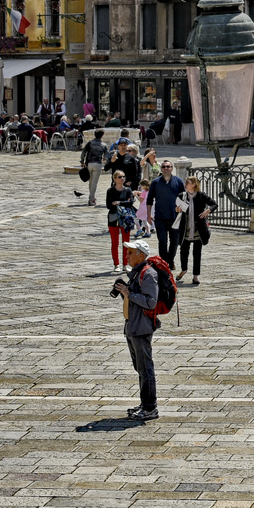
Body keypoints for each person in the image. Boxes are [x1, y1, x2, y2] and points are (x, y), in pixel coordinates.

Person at [114, 239, 163, 421]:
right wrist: (124, 293)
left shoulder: (148, 274)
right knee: (140, 368)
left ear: (141, 256)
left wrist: (129, 294)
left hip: (141, 327)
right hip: (133, 325)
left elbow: (151, 301)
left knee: (146, 368)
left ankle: (150, 407)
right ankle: (145, 404)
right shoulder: (136, 273)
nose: (127, 256)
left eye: (130, 253)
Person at [175, 175, 212, 285]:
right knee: (183, 251)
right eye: (185, 182)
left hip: (198, 229)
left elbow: (214, 204)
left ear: (194, 184)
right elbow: (177, 208)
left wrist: (207, 211)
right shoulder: (182, 195)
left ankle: (195, 276)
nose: (186, 185)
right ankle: (183, 269)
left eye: (188, 183)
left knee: (197, 253)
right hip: (185, 228)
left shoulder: (201, 195)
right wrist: (177, 209)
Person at [148, 159, 185, 265]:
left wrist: (181, 208)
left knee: (174, 241)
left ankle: (170, 260)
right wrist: (148, 214)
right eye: (164, 167)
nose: (166, 169)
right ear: (161, 169)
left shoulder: (178, 181)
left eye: (168, 167)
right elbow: (149, 199)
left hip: (175, 216)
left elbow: (184, 198)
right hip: (160, 217)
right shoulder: (156, 182)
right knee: (162, 241)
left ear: (172, 168)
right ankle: (164, 263)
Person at [105, 169, 136, 269]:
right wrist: (123, 202)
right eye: (120, 177)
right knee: (115, 242)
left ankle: (126, 264)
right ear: (115, 179)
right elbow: (109, 205)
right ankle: (116, 264)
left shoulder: (127, 190)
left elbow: (130, 203)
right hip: (113, 217)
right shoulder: (110, 191)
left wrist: (118, 203)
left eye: (123, 177)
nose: (122, 179)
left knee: (126, 242)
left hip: (125, 218)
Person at [80, 129, 111, 206]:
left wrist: (82, 161)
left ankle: (92, 197)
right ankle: (91, 199)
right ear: (102, 135)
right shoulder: (103, 145)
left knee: (90, 182)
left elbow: (83, 152)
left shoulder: (90, 143)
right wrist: (105, 159)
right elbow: (106, 156)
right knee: (94, 183)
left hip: (89, 163)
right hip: (97, 164)